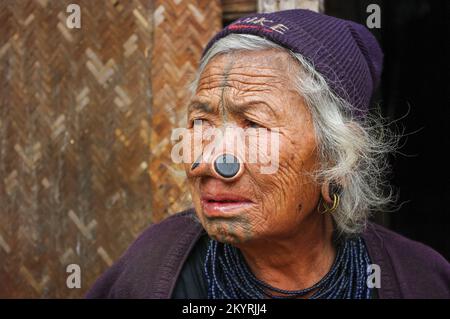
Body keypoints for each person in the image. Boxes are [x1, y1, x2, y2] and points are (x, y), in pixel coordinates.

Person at [86, 9, 449, 299]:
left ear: (337, 158)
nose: (211, 162)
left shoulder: (418, 280)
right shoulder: (151, 273)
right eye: (201, 122)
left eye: (254, 126)